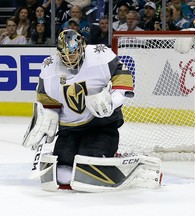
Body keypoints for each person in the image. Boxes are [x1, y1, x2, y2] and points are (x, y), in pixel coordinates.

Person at [22, 29, 160, 191]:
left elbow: (123, 82)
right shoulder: (49, 68)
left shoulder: (100, 56)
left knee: (89, 165)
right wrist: (49, 115)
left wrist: (111, 101)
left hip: (100, 125)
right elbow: (47, 99)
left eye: (72, 53)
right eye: (64, 55)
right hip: (69, 129)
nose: (68, 59)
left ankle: (117, 158)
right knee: (62, 174)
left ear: (81, 48)